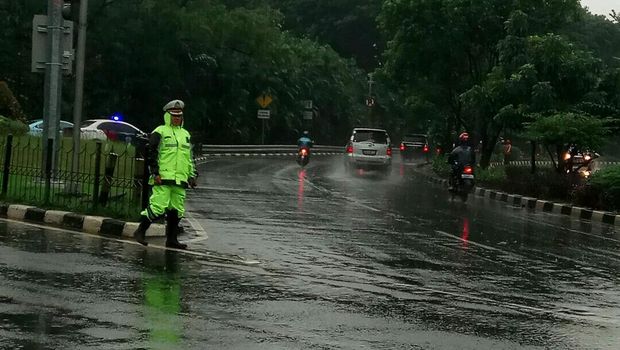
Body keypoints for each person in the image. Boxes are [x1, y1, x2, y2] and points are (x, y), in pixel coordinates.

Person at [133, 99, 197, 249]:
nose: (177, 118)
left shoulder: (185, 134)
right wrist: (155, 172)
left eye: (179, 115)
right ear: (168, 116)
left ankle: (172, 239)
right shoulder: (160, 131)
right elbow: (151, 153)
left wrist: (192, 175)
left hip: (180, 179)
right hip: (163, 177)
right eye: (174, 115)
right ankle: (140, 231)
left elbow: (189, 157)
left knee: (177, 210)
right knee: (157, 207)